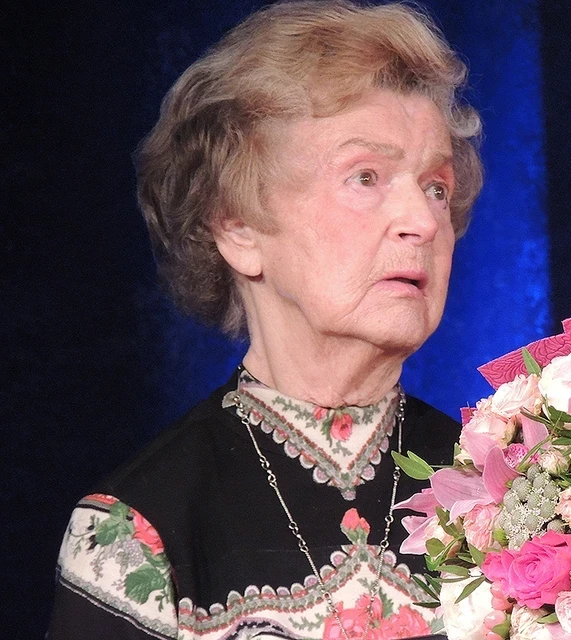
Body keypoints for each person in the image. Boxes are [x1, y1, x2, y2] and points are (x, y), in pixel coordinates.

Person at [47, 1, 482, 638]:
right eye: (365, 177)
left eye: (436, 187)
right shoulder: (137, 531)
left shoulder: (512, 489)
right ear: (239, 230)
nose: (423, 220)